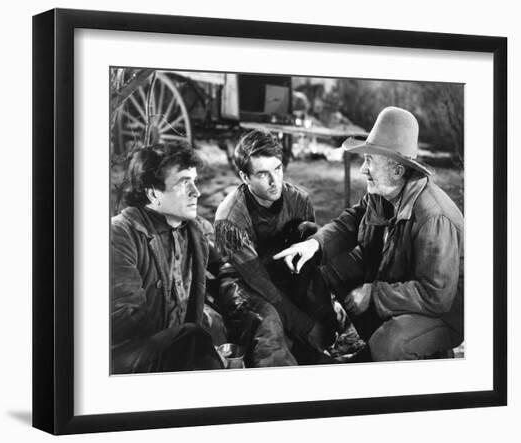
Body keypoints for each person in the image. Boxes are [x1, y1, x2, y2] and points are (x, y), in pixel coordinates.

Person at [274, 107, 464, 361]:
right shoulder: (384, 192)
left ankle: (414, 355)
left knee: (391, 342)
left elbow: (436, 296)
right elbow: (350, 222)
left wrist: (374, 293)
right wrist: (313, 245)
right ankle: (334, 340)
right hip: (394, 282)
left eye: (369, 161)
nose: (363, 169)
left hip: (442, 312)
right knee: (322, 266)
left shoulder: (434, 217)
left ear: (397, 170)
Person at [214, 130, 339, 367]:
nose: (275, 181)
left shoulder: (299, 200)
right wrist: (304, 325)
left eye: (278, 169)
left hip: (281, 273)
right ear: (245, 177)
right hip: (242, 282)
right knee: (269, 321)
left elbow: (312, 264)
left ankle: (313, 351)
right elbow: (258, 281)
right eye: (263, 174)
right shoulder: (230, 217)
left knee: (309, 231)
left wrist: (321, 312)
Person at [110, 141, 227, 374]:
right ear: (153, 193)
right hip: (130, 356)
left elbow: (225, 269)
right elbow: (125, 318)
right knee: (193, 336)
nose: (197, 192)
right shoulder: (120, 233)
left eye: (195, 181)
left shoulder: (195, 229)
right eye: (185, 183)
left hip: (180, 344)